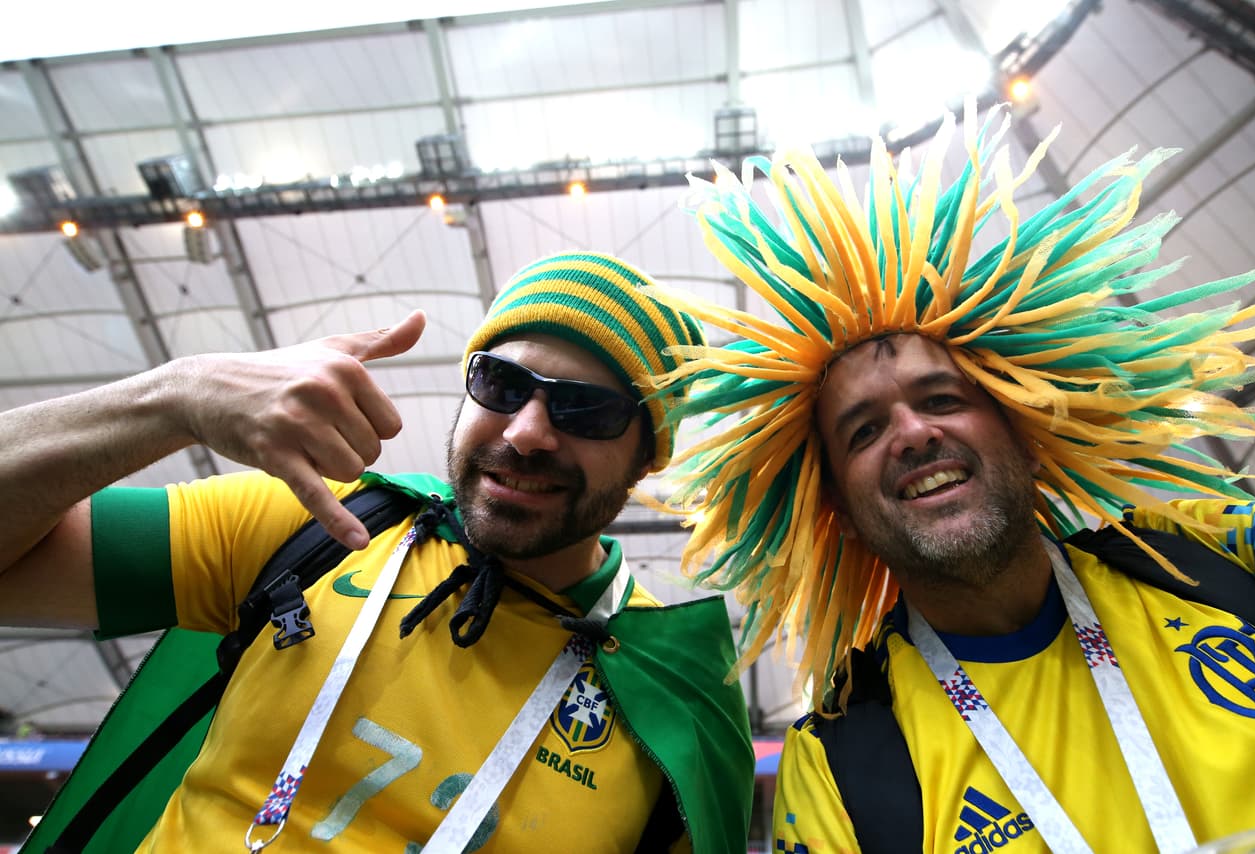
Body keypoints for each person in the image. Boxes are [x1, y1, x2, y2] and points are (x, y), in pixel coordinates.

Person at [644, 104, 1255, 852]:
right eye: (865, 431)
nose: (913, 434)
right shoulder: (839, 767)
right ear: (840, 512)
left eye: (942, 399)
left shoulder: (1211, 555)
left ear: (1030, 430)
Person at [0, 251, 754, 852]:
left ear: (648, 455)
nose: (526, 431)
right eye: (501, 382)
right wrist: (174, 398)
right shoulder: (323, 523)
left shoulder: (675, 698)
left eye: (587, 408)